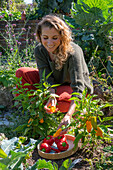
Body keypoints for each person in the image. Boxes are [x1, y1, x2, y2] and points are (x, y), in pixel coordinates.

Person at [16, 14, 93, 134]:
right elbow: (44, 76)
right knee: (22, 73)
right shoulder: (40, 50)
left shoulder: (73, 51)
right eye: (45, 37)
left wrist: (69, 115)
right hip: (55, 86)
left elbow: (78, 87)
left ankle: (68, 113)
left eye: (55, 37)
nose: (49, 42)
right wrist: (51, 96)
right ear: (39, 36)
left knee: (63, 103)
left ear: (62, 37)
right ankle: (37, 112)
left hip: (72, 87)